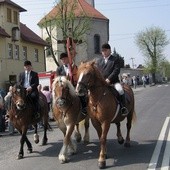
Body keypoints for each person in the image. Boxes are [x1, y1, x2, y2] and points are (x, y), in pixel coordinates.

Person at [96, 43, 128, 116]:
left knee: (120, 90)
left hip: (113, 82)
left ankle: (123, 107)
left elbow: (116, 71)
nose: (104, 52)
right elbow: (97, 72)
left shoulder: (115, 59)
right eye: (103, 51)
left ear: (109, 50)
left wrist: (109, 79)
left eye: (105, 50)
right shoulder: (99, 61)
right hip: (102, 83)